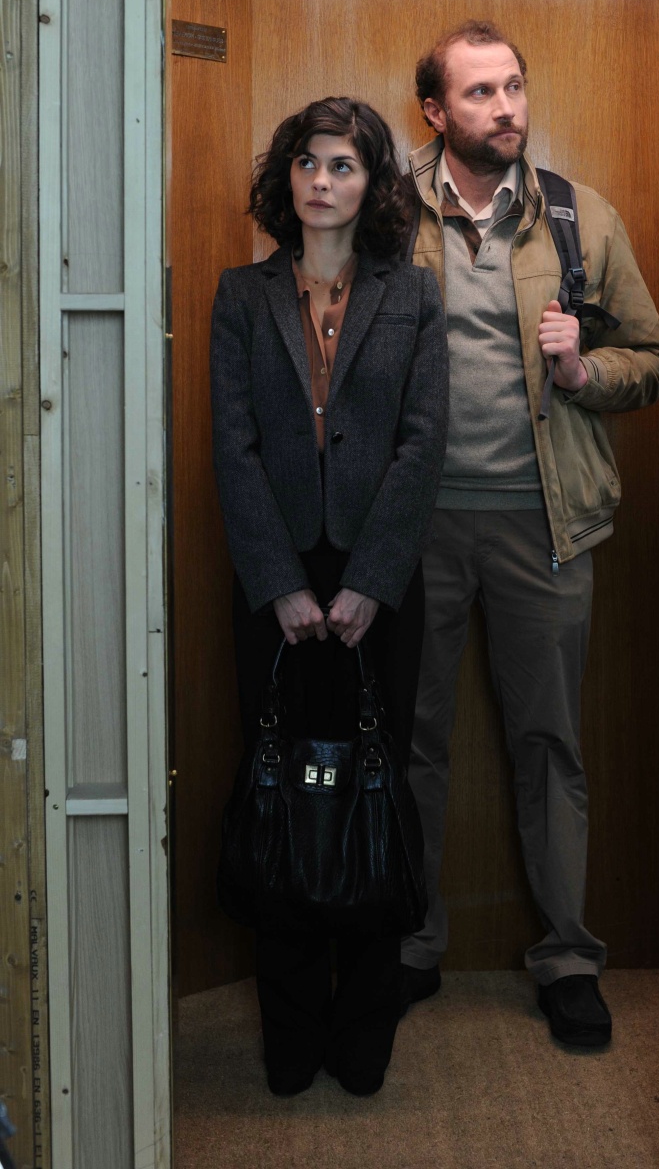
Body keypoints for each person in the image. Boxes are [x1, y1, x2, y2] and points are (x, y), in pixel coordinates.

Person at [400, 21, 659, 1048]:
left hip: (545, 522)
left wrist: (581, 369)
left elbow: (655, 360)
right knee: (412, 742)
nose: (505, 106)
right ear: (435, 111)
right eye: (479, 91)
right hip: (413, 528)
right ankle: (409, 944)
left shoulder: (576, 215)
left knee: (549, 744)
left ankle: (567, 957)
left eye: (513, 85)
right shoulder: (388, 212)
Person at [210, 97, 448, 1098]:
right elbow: (233, 447)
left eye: (342, 164)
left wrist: (368, 584)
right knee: (280, 791)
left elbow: (421, 444)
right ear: (286, 178)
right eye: (306, 162)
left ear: (371, 182)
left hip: (375, 585)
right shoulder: (242, 293)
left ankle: (363, 1028)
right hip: (274, 583)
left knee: (373, 792)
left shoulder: (415, 294)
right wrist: (277, 583)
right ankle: (291, 1030)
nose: (320, 180)